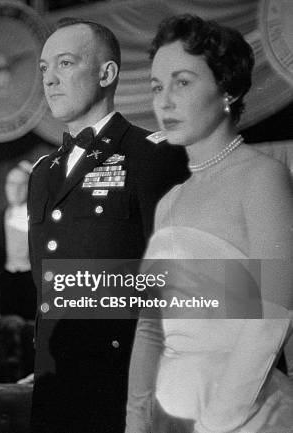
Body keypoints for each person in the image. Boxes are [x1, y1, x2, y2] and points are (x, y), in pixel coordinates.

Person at [125, 14, 293, 433]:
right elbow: (150, 329)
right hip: (169, 414)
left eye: (182, 82)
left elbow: (274, 312)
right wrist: (136, 420)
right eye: (156, 86)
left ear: (228, 89)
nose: (164, 101)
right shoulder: (169, 203)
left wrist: (218, 419)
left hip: (246, 414)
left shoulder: (262, 178)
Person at [29, 18, 189, 432]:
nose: (50, 80)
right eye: (44, 69)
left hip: (123, 378)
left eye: (65, 64)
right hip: (56, 378)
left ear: (106, 73)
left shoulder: (152, 156)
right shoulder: (43, 172)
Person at [0, 161, 36, 321]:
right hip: (7, 282)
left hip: (33, 281)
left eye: (21, 184)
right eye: (11, 184)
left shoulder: (38, 217)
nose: (15, 190)